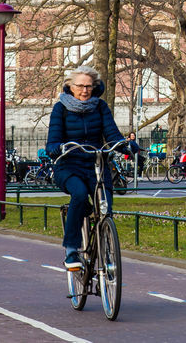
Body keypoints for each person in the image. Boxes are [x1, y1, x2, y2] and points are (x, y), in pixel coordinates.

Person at [46, 66, 123, 271]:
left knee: (106, 207)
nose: (85, 90)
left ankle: (106, 250)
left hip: (96, 164)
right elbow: (52, 140)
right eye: (80, 86)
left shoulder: (100, 106)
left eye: (89, 86)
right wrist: (57, 148)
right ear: (70, 87)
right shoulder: (60, 108)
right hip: (69, 166)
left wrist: (123, 144)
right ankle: (71, 250)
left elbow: (112, 132)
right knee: (79, 194)